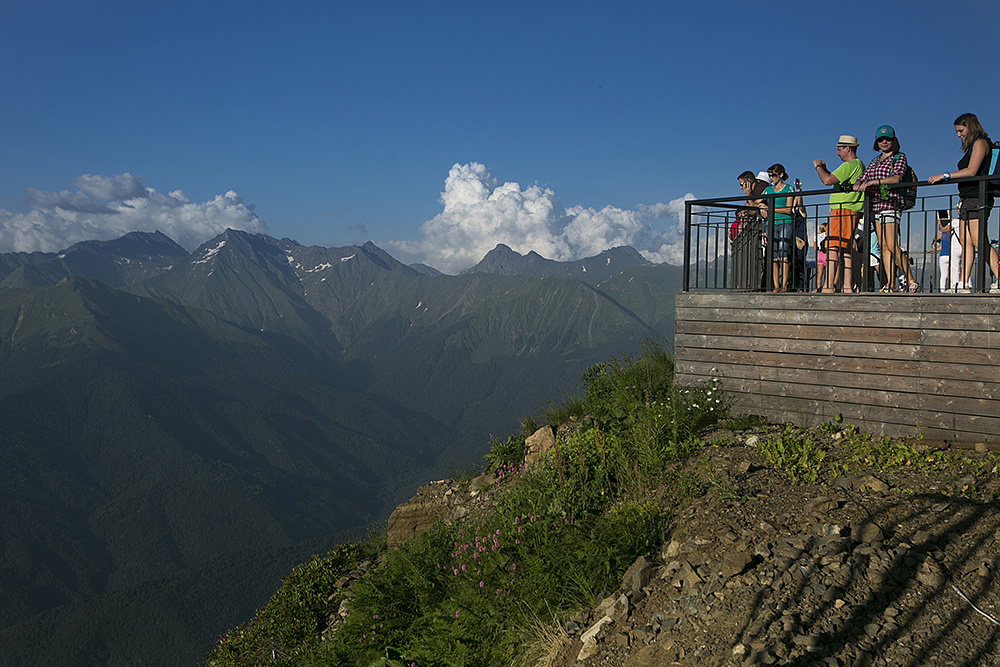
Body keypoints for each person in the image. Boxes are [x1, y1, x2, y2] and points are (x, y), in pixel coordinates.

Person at [927, 113, 1000, 293]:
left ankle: (999, 278)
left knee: (978, 240)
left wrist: (945, 176)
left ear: (970, 126)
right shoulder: (973, 145)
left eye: (960, 130)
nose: (958, 135)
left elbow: (972, 170)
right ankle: (963, 283)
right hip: (967, 198)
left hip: (979, 196)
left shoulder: (981, 142)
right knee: (966, 241)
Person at [853, 125, 919, 293]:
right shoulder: (875, 160)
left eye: (887, 139)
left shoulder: (899, 157)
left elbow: (896, 178)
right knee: (883, 247)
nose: (884, 142)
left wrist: (874, 183)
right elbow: (864, 175)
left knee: (891, 245)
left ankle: (911, 280)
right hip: (876, 206)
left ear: (893, 140)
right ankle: (890, 283)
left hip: (891, 203)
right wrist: (859, 183)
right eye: (881, 139)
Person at [813, 135, 864, 292]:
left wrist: (818, 167)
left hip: (842, 210)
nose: (837, 153)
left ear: (847, 149)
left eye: (839, 149)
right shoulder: (859, 165)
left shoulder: (849, 165)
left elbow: (827, 180)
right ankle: (847, 285)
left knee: (833, 246)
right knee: (846, 247)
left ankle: (829, 285)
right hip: (851, 210)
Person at [758, 163, 795, 292]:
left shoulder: (789, 189)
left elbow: (788, 209)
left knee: (783, 255)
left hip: (785, 222)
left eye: (773, 175)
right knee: (773, 256)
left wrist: (770, 208)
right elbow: (757, 201)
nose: (771, 178)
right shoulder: (768, 190)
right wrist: (762, 206)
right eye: (770, 175)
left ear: (780, 174)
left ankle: (784, 286)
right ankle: (776, 285)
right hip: (771, 224)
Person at [932, 208, 962, 292]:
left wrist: (939, 223)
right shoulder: (951, 235)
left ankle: (942, 290)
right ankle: (958, 286)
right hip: (951, 254)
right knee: (956, 270)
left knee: (943, 274)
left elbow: (936, 243)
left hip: (942, 255)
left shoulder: (940, 235)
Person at [815, 223, 828, 292]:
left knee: (819, 274)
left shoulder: (816, 236)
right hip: (826, 254)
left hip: (819, 254)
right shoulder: (826, 235)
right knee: (828, 273)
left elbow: (814, 248)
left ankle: (818, 288)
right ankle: (826, 287)